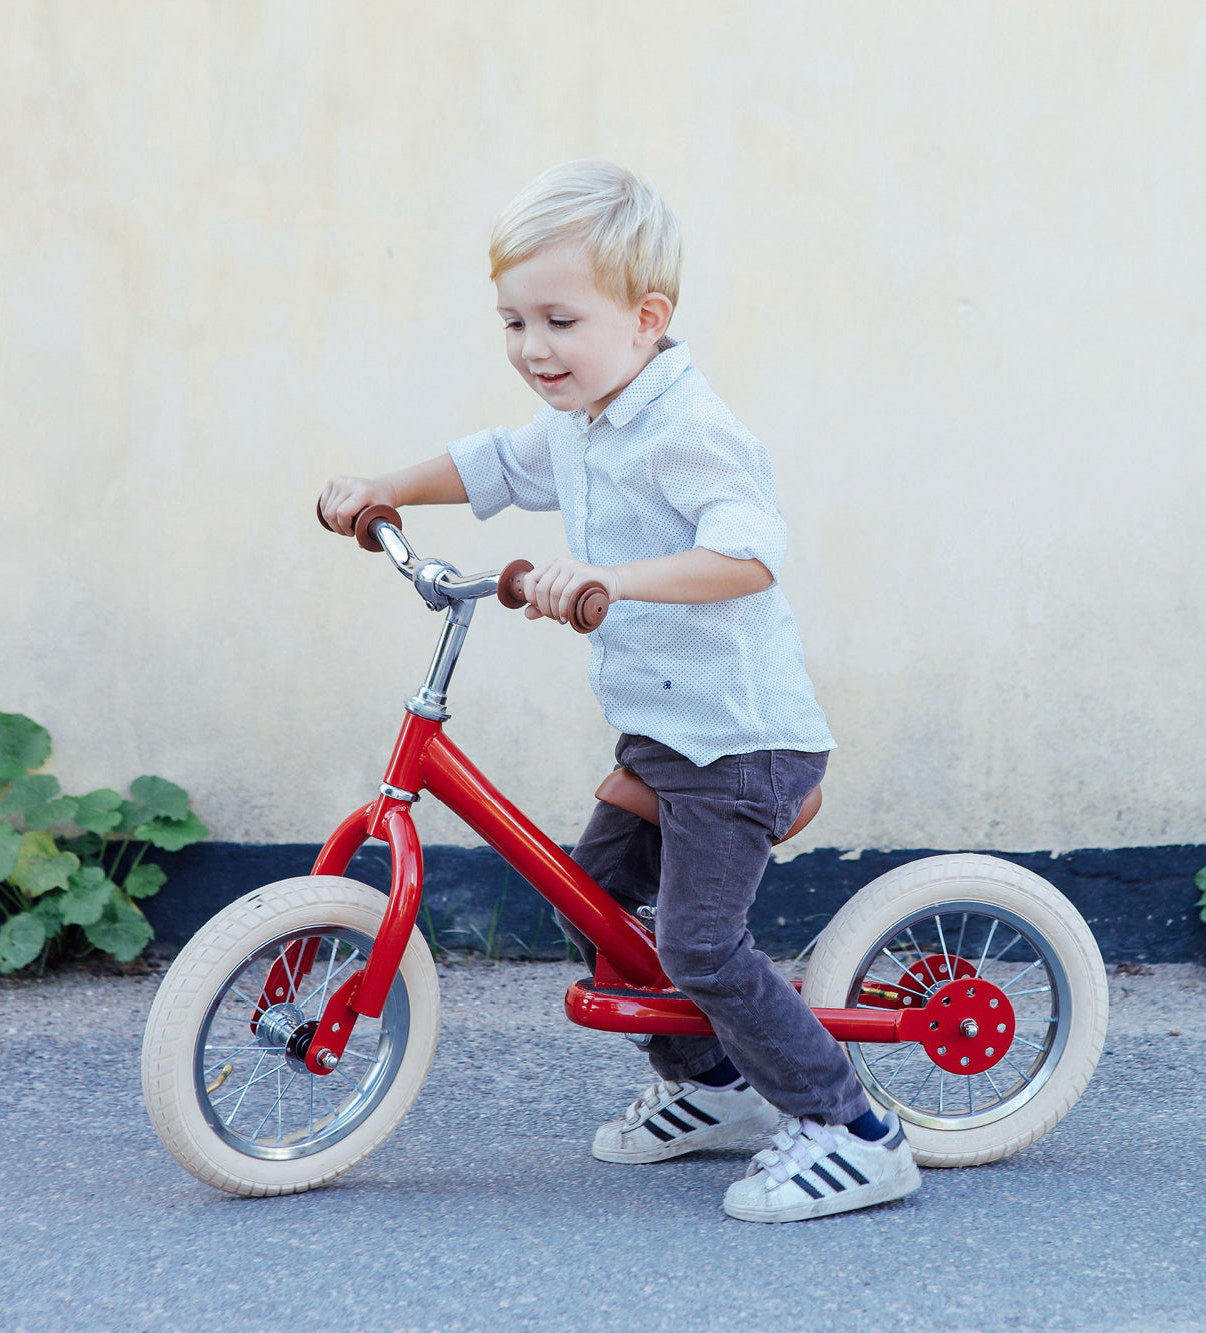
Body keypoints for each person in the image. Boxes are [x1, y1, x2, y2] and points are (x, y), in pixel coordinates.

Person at [318, 160, 921, 1223]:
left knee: (695, 940)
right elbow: (495, 464)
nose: (531, 348)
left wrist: (610, 579)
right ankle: (720, 1086)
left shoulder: (686, 430)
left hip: (739, 743)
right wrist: (385, 487)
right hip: (662, 736)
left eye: (558, 319)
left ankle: (852, 1129)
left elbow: (748, 557)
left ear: (645, 320)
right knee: (590, 899)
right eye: (512, 321)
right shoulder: (584, 417)